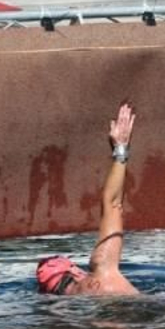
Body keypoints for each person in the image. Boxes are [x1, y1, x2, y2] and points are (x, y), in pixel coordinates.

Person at [35, 102, 141, 297]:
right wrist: (120, 149)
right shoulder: (102, 268)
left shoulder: (71, 305)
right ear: (74, 271)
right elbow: (112, 203)